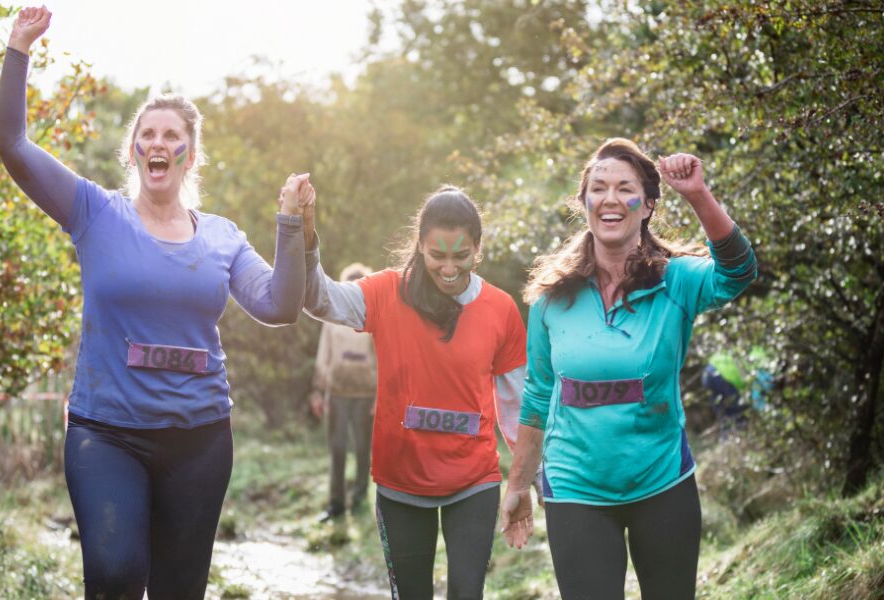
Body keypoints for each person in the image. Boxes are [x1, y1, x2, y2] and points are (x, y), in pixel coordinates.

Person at [0, 7, 312, 598]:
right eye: (149, 134)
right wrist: (18, 50)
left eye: (173, 137)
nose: (158, 143)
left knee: (179, 590)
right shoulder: (95, 212)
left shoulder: (221, 236)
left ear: (188, 155)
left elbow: (279, 306)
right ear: (134, 150)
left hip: (200, 437)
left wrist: (290, 226)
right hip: (106, 433)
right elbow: (12, 144)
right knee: (114, 573)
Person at [500, 139, 757, 599]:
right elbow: (538, 396)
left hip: (662, 484)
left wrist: (698, 195)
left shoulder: (675, 281)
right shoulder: (550, 300)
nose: (611, 198)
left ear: (648, 206)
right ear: (584, 204)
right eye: (598, 188)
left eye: (625, 188)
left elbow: (737, 272)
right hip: (575, 488)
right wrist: (518, 482)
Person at [300, 186, 528, 599]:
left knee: (466, 593)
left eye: (461, 256)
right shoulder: (387, 292)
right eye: (437, 254)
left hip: (474, 479)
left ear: (478, 247)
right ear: (420, 244)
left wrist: (528, 479)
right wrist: (304, 237)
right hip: (400, 482)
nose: (448, 267)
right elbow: (319, 298)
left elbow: (516, 407)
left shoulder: (501, 309)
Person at [308, 262, 378, 522]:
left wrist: (381, 395)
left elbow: (382, 359)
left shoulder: (373, 319)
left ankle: (359, 500)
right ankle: (335, 504)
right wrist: (317, 390)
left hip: (366, 394)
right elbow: (323, 355)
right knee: (337, 448)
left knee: (362, 448)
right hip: (336, 392)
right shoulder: (332, 319)